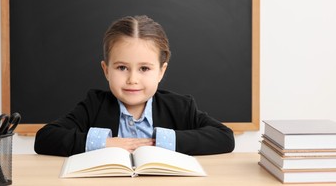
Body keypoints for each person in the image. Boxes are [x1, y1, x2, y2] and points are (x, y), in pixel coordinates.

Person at [34, 15, 235, 156]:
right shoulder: (94, 105)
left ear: (161, 71)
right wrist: (104, 142)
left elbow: (225, 138)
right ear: (106, 70)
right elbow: (45, 139)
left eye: (144, 69)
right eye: (122, 67)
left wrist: (161, 142)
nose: (132, 79)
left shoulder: (180, 107)